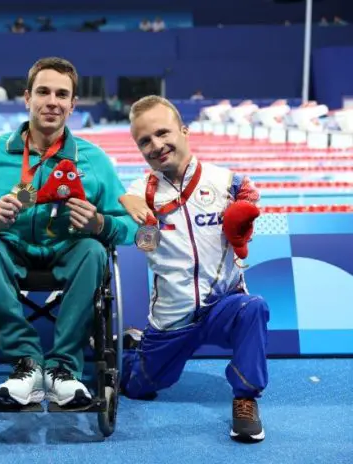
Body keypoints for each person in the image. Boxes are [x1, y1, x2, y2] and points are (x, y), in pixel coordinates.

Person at [0, 57, 138, 407]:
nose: (52, 101)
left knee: (94, 250)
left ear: (72, 104)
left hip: (69, 251)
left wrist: (100, 224)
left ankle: (63, 368)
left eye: (62, 94)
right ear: (27, 98)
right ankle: (26, 363)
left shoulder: (93, 159)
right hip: (9, 249)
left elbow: (129, 227)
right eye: (43, 92)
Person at [117, 95, 269, 443]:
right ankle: (133, 347)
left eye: (162, 133)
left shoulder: (226, 182)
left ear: (184, 130)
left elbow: (248, 220)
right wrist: (143, 216)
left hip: (223, 305)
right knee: (141, 388)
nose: (156, 145)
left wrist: (244, 214)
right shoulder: (141, 191)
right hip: (172, 317)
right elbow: (146, 250)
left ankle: (245, 400)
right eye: (145, 141)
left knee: (253, 308)